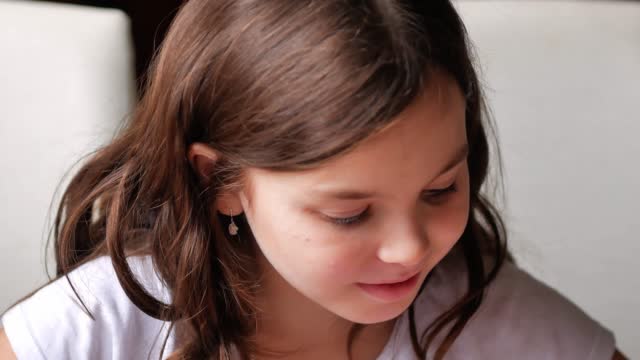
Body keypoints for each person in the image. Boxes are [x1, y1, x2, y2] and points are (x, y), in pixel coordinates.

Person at [0, 0, 628, 359]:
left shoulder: (498, 325)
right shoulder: (90, 333)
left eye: (441, 190)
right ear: (220, 180)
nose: (409, 248)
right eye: (349, 214)